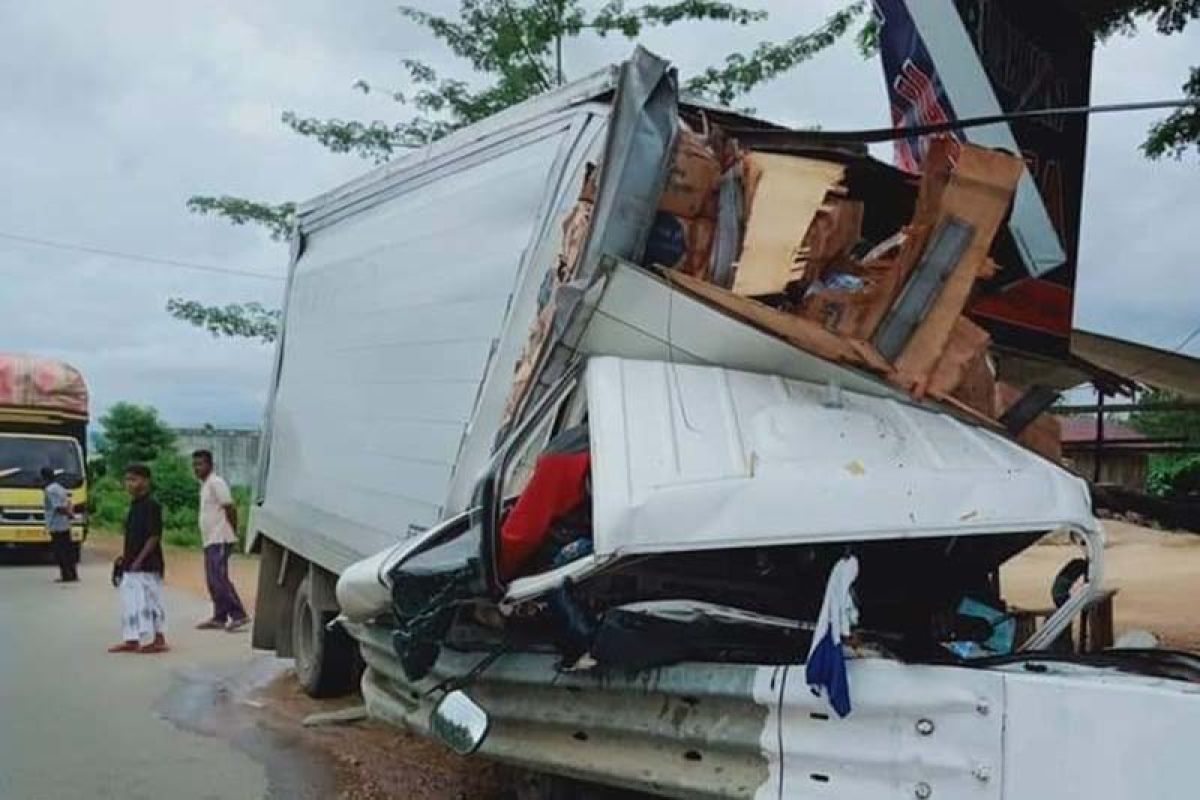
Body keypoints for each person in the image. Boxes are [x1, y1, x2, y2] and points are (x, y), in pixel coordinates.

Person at [108, 463, 169, 654]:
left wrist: (139, 560)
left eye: (133, 479)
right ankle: (132, 639)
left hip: (147, 564)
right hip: (131, 562)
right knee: (131, 602)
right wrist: (125, 558)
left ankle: (158, 639)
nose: (129, 484)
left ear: (145, 481)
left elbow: (153, 536)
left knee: (149, 602)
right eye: (127, 480)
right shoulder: (134, 506)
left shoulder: (152, 506)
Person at [191, 450, 250, 632]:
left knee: (219, 579)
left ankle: (239, 615)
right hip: (210, 540)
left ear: (210, 465)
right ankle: (219, 617)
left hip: (220, 538)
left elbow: (230, 507)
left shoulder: (216, 482)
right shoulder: (205, 485)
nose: (197, 468)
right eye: (194, 465)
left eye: (200, 464)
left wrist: (233, 531)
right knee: (212, 579)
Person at [41, 466, 77, 583]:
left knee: (60, 551)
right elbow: (69, 502)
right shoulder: (60, 488)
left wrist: (69, 514)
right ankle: (73, 573)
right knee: (68, 550)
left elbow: (58, 508)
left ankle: (66, 575)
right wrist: (70, 513)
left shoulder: (50, 490)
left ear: (44, 477)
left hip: (56, 525)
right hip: (65, 524)